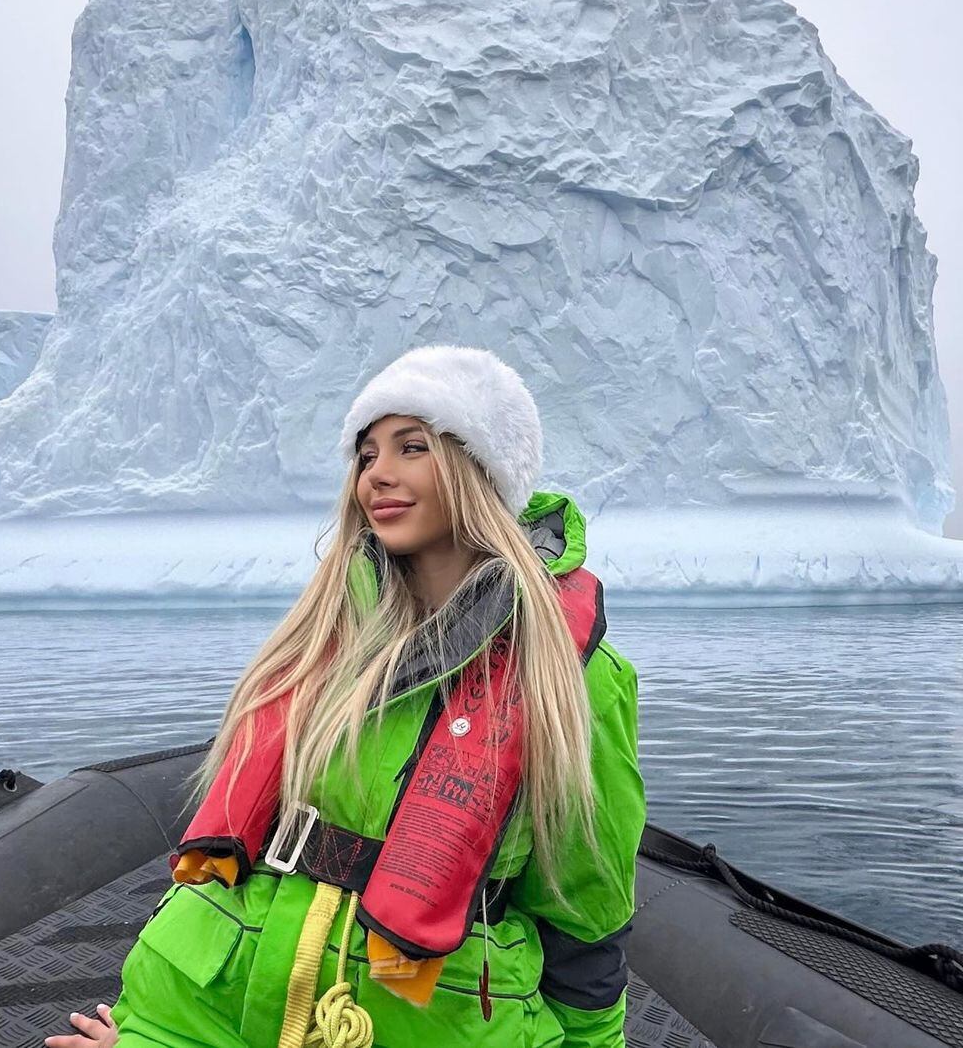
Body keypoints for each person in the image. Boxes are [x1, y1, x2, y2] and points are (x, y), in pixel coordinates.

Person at [45, 343, 646, 1048]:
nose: (378, 476)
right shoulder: (322, 635)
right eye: (366, 455)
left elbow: (585, 905)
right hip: (200, 1003)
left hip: (420, 1021)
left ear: (480, 470)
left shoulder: (571, 676)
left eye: (411, 447)